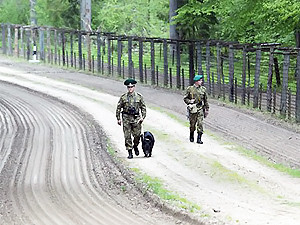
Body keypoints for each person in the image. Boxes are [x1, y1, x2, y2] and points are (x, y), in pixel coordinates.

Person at [116, 78, 146, 159]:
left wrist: (142, 117)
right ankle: (129, 151)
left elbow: (143, 107)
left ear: (134, 87)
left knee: (137, 135)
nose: (130, 88)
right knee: (127, 136)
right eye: (129, 87)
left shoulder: (139, 97)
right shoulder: (123, 97)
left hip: (136, 118)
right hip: (126, 118)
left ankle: (135, 145)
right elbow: (118, 108)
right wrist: (118, 118)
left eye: (131, 87)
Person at [183, 74, 209, 144]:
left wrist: (207, 109)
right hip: (193, 109)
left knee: (200, 123)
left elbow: (205, 100)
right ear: (196, 81)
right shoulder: (190, 89)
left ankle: (199, 139)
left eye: (201, 80)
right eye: (200, 80)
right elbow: (185, 98)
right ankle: (191, 135)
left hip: (200, 108)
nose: (201, 81)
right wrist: (189, 101)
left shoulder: (203, 89)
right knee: (192, 124)